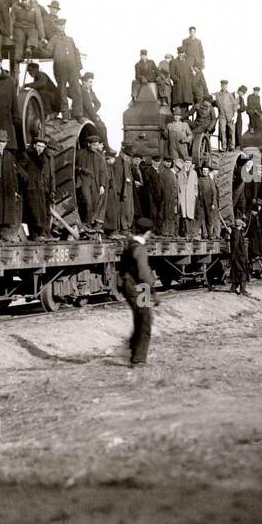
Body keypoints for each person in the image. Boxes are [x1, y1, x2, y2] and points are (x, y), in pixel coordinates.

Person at [117, 218, 157, 366]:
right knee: (145, 322)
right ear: (148, 233)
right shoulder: (140, 249)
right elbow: (143, 273)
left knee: (139, 320)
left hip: (129, 286)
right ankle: (138, 359)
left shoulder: (129, 245)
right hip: (141, 288)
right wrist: (153, 291)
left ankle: (133, 349)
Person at [22, 138, 55, 238]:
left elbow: (51, 175)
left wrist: (52, 189)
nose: (40, 148)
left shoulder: (45, 158)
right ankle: (34, 234)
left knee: (43, 212)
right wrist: (26, 177)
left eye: (42, 147)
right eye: (39, 146)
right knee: (32, 212)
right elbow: (19, 167)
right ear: (34, 145)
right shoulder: (27, 155)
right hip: (30, 188)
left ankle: (42, 233)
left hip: (42, 188)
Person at [75, 137, 110, 230]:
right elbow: (73, 166)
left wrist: (102, 185)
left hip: (96, 183)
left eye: (96, 144)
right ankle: (86, 222)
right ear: (88, 144)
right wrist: (80, 169)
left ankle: (89, 223)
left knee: (94, 203)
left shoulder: (99, 157)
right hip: (84, 181)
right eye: (93, 144)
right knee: (88, 202)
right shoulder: (80, 153)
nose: (95, 146)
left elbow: (103, 172)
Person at [50, 17, 82, 117]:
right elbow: (48, 51)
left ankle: (78, 114)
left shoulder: (70, 39)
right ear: (56, 26)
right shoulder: (53, 40)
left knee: (77, 90)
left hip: (72, 69)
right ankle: (65, 114)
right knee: (62, 91)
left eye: (63, 25)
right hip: (60, 69)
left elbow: (76, 54)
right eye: (59, 25)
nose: (61, 27)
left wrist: (78, 69)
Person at [107, 142, 139, 234]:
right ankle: (117, 229)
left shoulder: (126, 163)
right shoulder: (117, 162)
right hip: (118, 191)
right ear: (123, 153)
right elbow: (115, 177)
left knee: (126, 210)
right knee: (117, 210)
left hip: (125, 191)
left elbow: (127, 177)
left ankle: (124, 228)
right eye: (128, 156)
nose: (129, 158)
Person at [11, 0, 45, 73]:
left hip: (31, 27)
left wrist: (42, 36)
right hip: (18, 27)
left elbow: (39, 23)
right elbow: (11, 20)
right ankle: (18, 58)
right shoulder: (16, 6)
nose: (24, 1)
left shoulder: (35, 8)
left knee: (34, 33)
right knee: (19, 38)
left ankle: (29, 47)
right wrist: (10, 33)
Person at [156, 154, 179, 237]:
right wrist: (161, 196)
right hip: (164, 197)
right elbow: (160, 186)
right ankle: (165, 231)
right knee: (165, 215)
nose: (168, 164)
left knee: (171, 215)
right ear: (164, 162)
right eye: (167, 162)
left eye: (170, 162)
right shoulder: (161, 172)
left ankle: (171, 232)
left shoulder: (171, 173)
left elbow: (175, 186)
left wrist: (175, 196)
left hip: (171, 197)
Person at [229, 216, 250, 295]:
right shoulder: (237, 233)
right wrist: (234, 256)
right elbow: (235, 245)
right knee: (242, 272)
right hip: (239, 256)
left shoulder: (235, 232)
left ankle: (233, 288)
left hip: (238, 256)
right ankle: (242, 290)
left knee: (237, 272)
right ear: (240, 225)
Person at [197, 164, 220, 239]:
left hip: (209, 202)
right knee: (202, 218)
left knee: (209, 219)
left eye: (206, 170)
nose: (204, 172)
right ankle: (205, 234)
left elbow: (214, 193)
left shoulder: (210, 180)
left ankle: (210, 233)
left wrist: (213, 203)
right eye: (203, 170)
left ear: (208, 171)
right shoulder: (200, 180)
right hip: (201, 202)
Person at [170, 45, 195, 110]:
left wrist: (191, 77)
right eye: (179, 53)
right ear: (177, 53)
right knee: (178, 106)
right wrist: (177, 80)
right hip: (178, 88)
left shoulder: (188, 62)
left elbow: (190, 74)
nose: (180, 54)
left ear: (184, 53)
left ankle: (185, 118)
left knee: (185, 104)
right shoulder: (173, 62)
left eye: (182, 53)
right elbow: (172, 74)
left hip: (186, 88)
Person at [215, 80, 237, 150]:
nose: (224, 86)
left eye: (225, 85)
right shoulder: (218, 94)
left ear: (227, 86)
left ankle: (232, 146)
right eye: (222, 85)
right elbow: (216, 103)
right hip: (222, 116)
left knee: (232, 131)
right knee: (222, 130)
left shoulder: (230, 95)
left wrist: (235, 115)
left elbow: (235, 104)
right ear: (221, 86)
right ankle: (224, 146)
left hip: (230, 116)